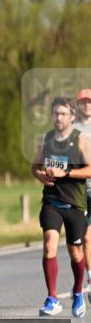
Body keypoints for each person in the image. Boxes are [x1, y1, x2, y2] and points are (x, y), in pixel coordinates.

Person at [31, 96, 91, 318]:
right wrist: (40, 176)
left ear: (72, 116)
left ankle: (77, 292)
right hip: (52, 202)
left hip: (75, 203)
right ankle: (52, 298)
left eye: (63, 113)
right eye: (56, 113)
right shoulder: (45, 139)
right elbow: (34, 167)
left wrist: (65, 173)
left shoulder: (81, 140)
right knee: (49, 245)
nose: (59, 117)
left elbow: (90, 170)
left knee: (76, 253)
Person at [75, 88, 91, 257]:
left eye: (89, 102)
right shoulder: (71, 127)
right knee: (85, 236)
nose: (87, 105)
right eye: (83, 102)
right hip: (79, 187)